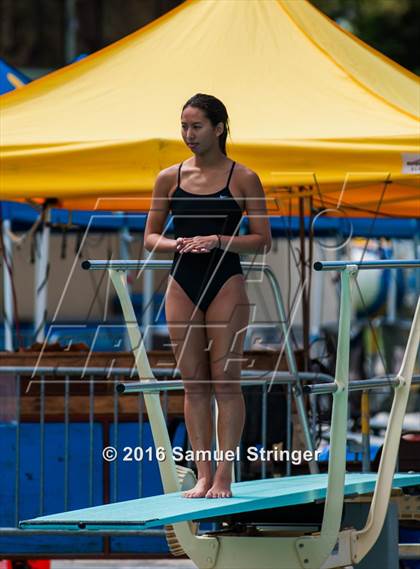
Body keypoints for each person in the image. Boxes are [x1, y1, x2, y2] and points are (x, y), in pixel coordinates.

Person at [144, 93, 271, 498]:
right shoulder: (169, 177)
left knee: (226, 383)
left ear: (218, 128)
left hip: (226, 283)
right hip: (182, 281)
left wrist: (219, 240)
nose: (188, 134)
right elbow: (149, 238)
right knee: (193, 384)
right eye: (183, 126)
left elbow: (262, 240)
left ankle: (224, 476)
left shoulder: (243, 177)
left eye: (196, 126)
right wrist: (178, 245)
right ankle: (202, 474)